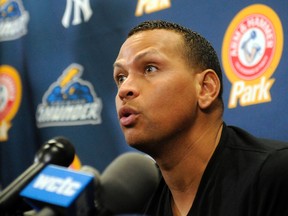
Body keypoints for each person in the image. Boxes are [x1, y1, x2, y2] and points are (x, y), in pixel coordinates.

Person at [112, 20, 288, 216]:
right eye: (121, 77)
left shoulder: (276, 175)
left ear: (206, 88)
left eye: (150, 68)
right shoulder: (149, 201)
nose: (125, 89)